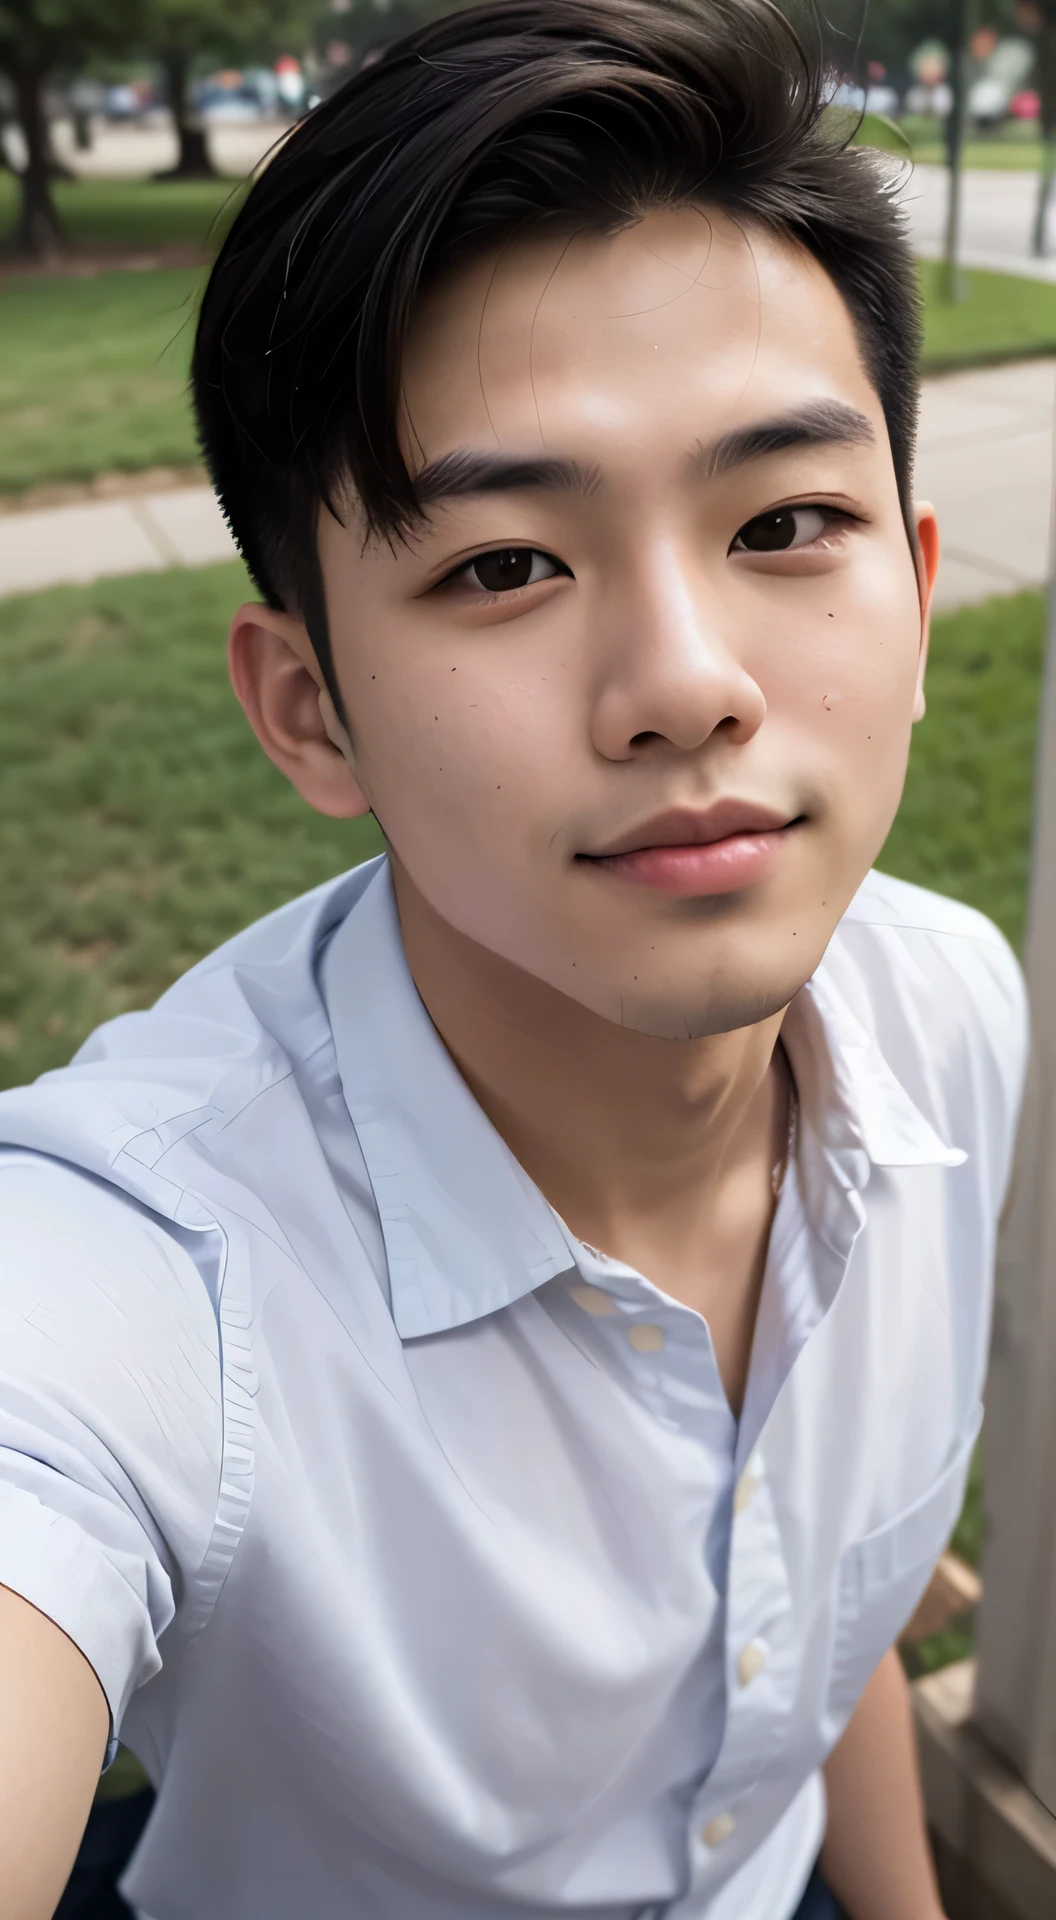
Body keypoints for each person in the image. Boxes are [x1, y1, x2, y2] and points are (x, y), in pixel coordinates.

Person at [0, 3, 1028, 1917]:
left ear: (910, 575)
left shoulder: (953, 1011)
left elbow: (817, 1630)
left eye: (788, 522)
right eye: (502, 566)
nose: (685, 685)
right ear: (310, 711)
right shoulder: (151, 1283)